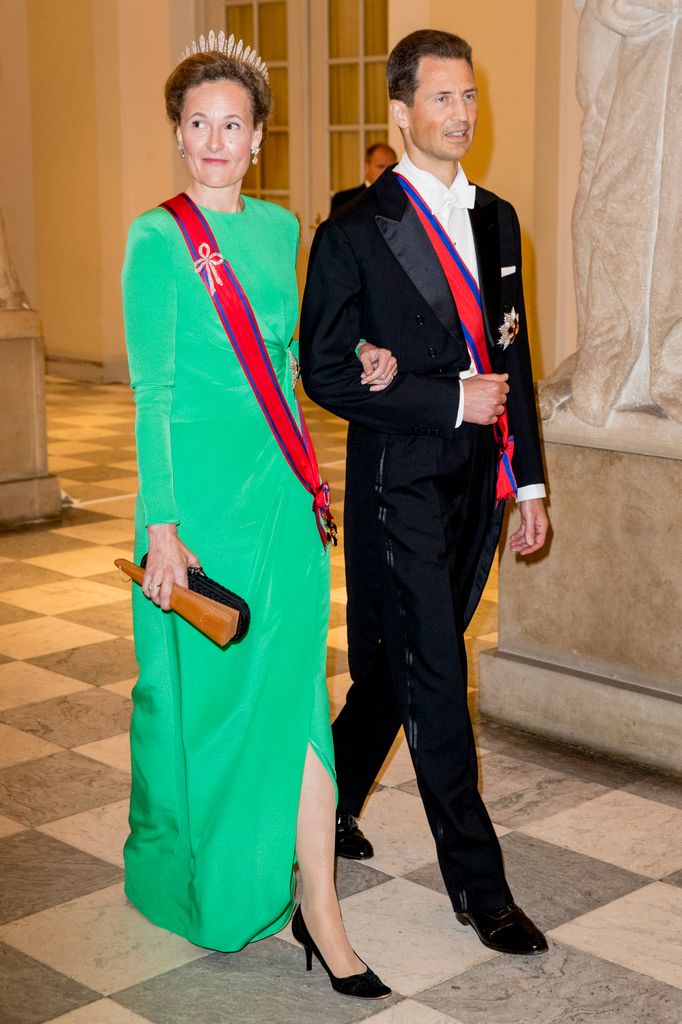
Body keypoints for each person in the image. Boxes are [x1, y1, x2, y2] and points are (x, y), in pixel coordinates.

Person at [121, 31, 389, 999]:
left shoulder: (281, 234)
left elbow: (292, 359)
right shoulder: (155, 241)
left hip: (280, 502)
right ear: (180, 133)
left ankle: (320, 904)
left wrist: (363, 360)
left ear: (258, 137)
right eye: (198, 123)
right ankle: (215, 877)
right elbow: (151, 392)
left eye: (232, 123)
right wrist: (160, 524)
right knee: (208, 714)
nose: (213, 139)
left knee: (297, 707)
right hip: (195, 511)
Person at [300, 29, 550, 956]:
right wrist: (446, 396)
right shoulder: (355, 232)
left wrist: (528, 480)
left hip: (475, 489)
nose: (462, 115)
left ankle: (319, 813)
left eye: (470, 97)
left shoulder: (498, 218)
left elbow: (513, 359)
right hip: (395, 485)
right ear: (401, 112)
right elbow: (324, 367)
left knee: (390, 675)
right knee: (439, 678)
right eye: (442, 99)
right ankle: (480, 892)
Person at [330, 142, 398, 212]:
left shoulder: (400, 198)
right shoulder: (343, 199)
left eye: (391, 167)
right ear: (366, 167)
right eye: (381, 166)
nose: (387, 171)